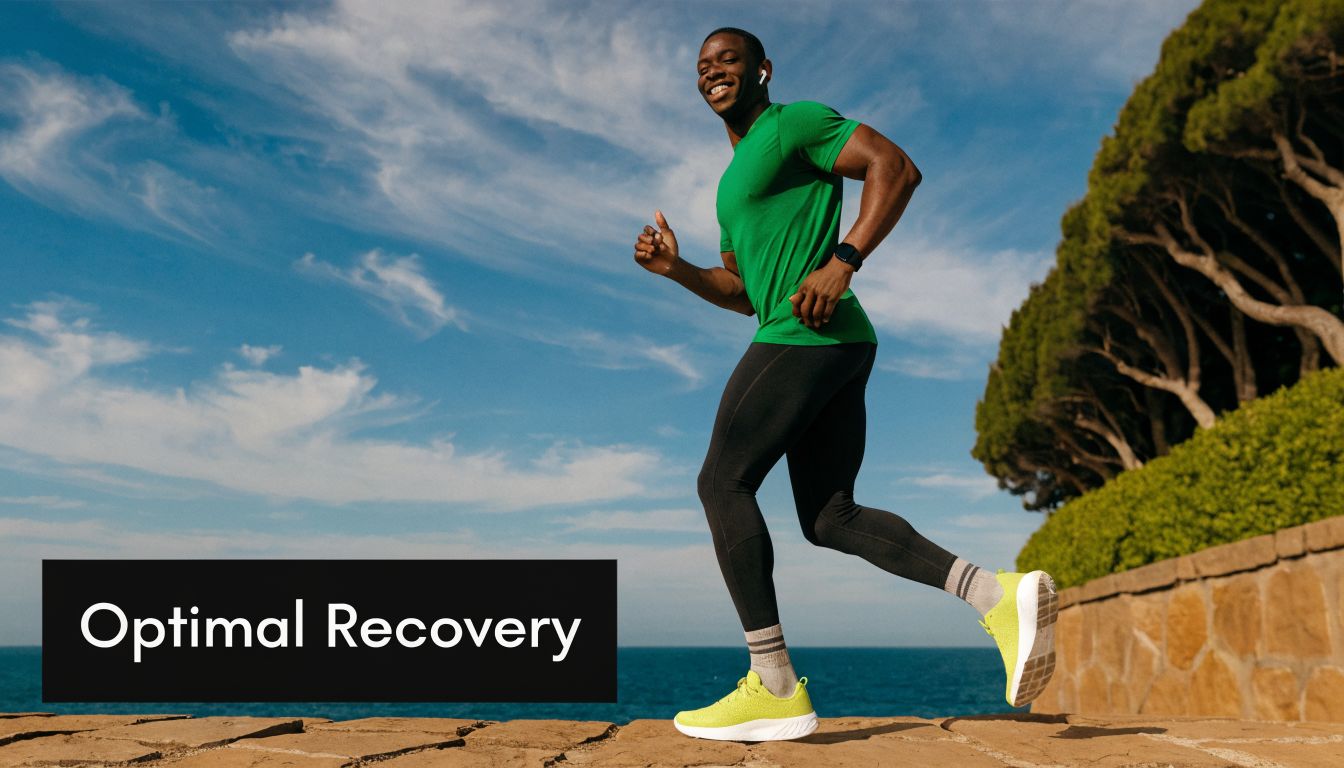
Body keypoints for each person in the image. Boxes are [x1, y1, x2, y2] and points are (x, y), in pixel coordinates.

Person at [632, 27, 1058, 742]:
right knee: (831, 518)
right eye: (702, 66)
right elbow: (741, 291)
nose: (712, 72)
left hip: (808, 334)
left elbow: (896, 166)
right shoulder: (731, 185)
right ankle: (997, 594)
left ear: (761, 70)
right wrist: (677, 268)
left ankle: (771, 683)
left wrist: (845, 258)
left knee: (720, 483)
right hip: (826, 339)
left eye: (727, 60)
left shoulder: (793, 122)